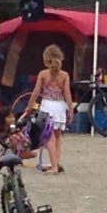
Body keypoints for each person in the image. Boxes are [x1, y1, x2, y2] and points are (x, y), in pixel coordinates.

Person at [29, 42, 76, 174]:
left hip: (48, 106)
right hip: (60, 106)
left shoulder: (43, 74)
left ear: (46, 59)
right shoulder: (65, 75)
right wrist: (71, 109)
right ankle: (56, 162)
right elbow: (67, 93)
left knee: (49, 137)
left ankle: (54, 166)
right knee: (58, 136)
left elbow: (36, 92)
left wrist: (29, 107)